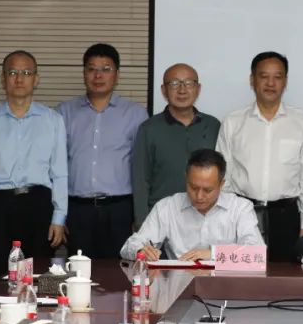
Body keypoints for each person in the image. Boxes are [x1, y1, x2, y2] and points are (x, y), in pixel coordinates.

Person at [0, 50, 67, 279]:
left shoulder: (53, 120)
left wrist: (59, 218)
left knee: (38, 278)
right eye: (12, 73)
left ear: (36, 79)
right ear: (3, 79)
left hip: (39, 206)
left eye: (26, 73)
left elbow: (60, 174)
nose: (19, 79)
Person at [216, 51, 303, 262]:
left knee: (286, 277)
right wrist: (227, 219)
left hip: (286, 217)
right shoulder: (233, 122)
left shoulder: (302, 122)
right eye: (264, 76)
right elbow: (222, 177)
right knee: (241, 277)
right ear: (252, 80)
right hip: (243, 214)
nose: (270, 83)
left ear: (285, 81)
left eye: (277, 77)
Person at [58, 43, 148, 258]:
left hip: (119, 209)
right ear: (84, 73)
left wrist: (138, 216)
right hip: (77, 209)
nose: (98, 75)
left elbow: (141, 168)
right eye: (92, 69)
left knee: (118, 270)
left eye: (106, 69)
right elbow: (54, 166)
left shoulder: (135, 114)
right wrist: (59, 214)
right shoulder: (64, 112)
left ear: (117, 75)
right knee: (78, 269)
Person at [120, 149, 263, 260]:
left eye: (208, 190)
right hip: (179, 284)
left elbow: (257, 253)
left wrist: (212, 254)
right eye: (193, 187)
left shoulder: (240, 208)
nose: (199, 196)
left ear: (221, 184)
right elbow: (129, 247)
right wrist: (140, 251)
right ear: (186, 179)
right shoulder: (167, 207)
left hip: (226, 285)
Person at [132, 63, 220, 226]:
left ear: (198, 89)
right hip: (163, 220)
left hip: (206, 219)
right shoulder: (149, 129)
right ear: (163, 90)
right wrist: (143, 224)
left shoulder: (213, 125)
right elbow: (141, 181)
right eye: (174, 83)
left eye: (188, 83)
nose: (182, 90)